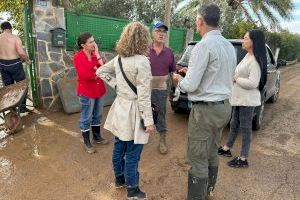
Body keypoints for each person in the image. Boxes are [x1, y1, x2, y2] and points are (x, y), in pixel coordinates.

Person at [173, 4, 237, 200]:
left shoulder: (203, 46)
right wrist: (190, 74)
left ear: (200, 21)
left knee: (197, 157)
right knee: (211, 152)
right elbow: (218, 75)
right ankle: (209, 191)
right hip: (224, 107)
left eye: (196, 21)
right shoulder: (229, 46)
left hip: (205, 112)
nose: (196, 24)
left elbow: (191, 85)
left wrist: (179, 80)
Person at [96, 22, 155, 200]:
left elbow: (100, 71)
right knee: (133, 152)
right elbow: (144, 96)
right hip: (135, 111)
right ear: (144, 39)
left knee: (119, 146)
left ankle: (119, 180)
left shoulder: (120, 58)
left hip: (120, 107)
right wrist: (149, 121)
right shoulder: (143, 61)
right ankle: (133, 190)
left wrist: (118, 86)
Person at [218, 30, 267, 168]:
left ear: (253, 42)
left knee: (245, 129)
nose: (243, 41)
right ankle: (227, 148)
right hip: (239, 99)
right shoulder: (247, 56)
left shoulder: (255, 61)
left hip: (247, 101)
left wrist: (237, 78)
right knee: (234, 124)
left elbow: (253, 83)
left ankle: (243, 158)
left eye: (245, 38)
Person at [73, 32, 109, 154]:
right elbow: (84, 75)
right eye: (90, 42)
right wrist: (97, 72)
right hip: (86, 91)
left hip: (99, 90)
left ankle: (97, 137)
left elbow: (104, 69)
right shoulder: (78, 57)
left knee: (98, 114)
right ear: (83, 45)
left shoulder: (96, 55)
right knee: (86, 117)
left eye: (94, 41)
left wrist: (98, 55)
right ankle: (87, 142)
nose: (94, 44)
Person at [149, 21, 176, 155]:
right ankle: (140, 137)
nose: (161, 34)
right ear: (152, 33)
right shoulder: (145, 50)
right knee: (142, 112)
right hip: (145, 88)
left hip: (161, 89)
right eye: (158, 30)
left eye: (164, 31)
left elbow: (172, 72)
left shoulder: (169, 52)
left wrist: (175, 90)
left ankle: (162, 139)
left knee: (161, 114)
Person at [0, 21, 30, 113]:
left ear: (2, 29)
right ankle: (22, 107)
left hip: (2, 64)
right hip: (15, 64)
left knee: (8, 87)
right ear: (11, 28)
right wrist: (26, 60)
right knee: (22, 85)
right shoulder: (15, 38)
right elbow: (21, 53)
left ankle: (11, 108)